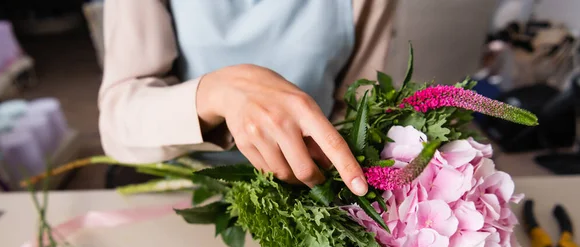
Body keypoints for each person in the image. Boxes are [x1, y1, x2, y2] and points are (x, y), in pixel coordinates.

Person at [98, 0, 397, 196]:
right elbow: (117, 119)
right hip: (188, 181)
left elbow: (359, 102)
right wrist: (219, 91)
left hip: (307, 186)